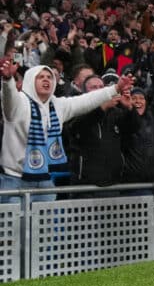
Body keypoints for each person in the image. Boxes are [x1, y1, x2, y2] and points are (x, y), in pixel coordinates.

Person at [1, 60, 133, 202]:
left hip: (45, 179)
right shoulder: (19, 102)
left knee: (45, 224)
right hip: (14, 178)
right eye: (41, 77)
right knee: (14, 224)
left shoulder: (58, 105)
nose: (46, 79)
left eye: (49, 77)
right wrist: (7, 80)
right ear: (29, 81)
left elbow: (87, 100)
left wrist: (115, 88)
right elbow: (9, 96)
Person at [64, 73, 137, 187]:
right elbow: (76, 128)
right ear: (84, 92)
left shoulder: (115, 112)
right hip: (85, 183)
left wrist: (130, 109)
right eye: (93, 87)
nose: (99, 90)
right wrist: (102, 108)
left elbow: (133, 129)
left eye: (101, 87)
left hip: (113, 181)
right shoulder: (76, 110)